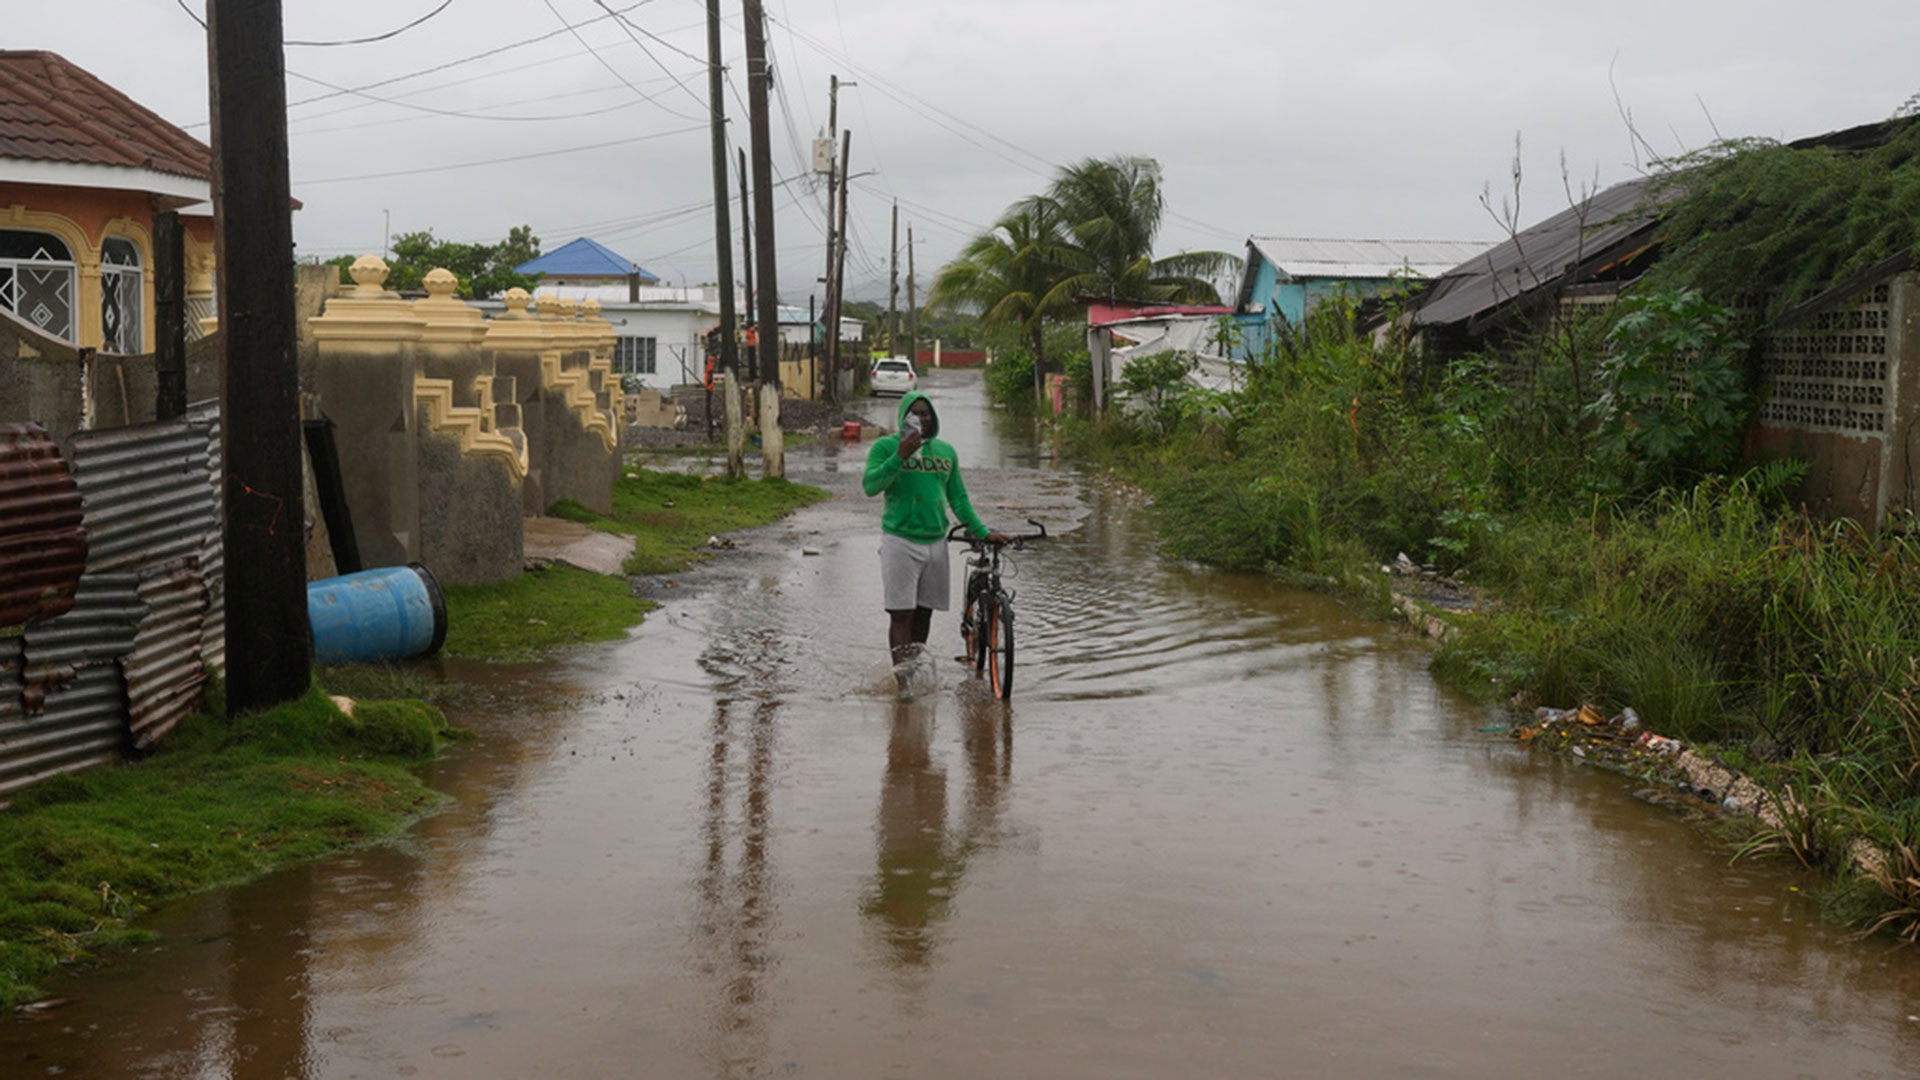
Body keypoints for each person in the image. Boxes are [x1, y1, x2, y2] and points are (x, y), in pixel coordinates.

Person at [862, 391, 1007, 678]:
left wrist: (982, 531)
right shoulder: (885, 447)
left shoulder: (946, 452)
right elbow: (870, 485)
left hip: (936, 542)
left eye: (925, 413)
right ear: (904, 417)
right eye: (914, 413)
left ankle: (913, 672)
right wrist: (900, 456)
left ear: (934, 418)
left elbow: (959, 499)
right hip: (900, 541)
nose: (920, 418)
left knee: (924, 613)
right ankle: (903, 685)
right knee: (901, 613)